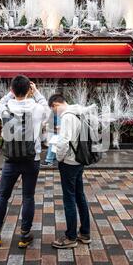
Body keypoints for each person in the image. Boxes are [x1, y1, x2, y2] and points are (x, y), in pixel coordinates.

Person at [0, 76, 49, 248]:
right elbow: (47, 109)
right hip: (32, 159)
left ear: (13, 90)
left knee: (3, 196)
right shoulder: (37, 108)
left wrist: (9, 94)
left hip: (10, 160)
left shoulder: (5, 107)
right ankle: (24, 235)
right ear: (29, 89)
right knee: (28, 197)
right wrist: (36, 91)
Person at [48, 94, 91, 249]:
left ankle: (70, 237)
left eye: (53, 110)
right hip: (80, 159)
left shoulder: (67, 117)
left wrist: (58, 158)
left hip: (69, 162)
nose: (55, 113)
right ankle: (85, 233)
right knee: (80, 196)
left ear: (55, 104)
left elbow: (64, 142)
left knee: (69, 199)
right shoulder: (79, 112)